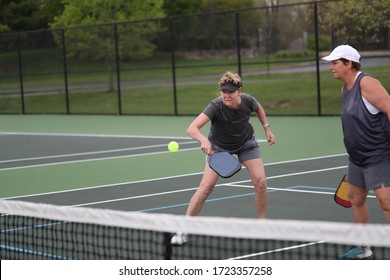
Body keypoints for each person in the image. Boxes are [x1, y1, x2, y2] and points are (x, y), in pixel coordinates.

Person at [171, 71, 276, 245]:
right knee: (205, 188)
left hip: (246, 143)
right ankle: (184, 229)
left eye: (230, 92)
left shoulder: (248, 100)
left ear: (239, 91)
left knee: (261, 182)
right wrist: (204, 140)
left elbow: (258, 109)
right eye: (223, 92)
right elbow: (192, 128)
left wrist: (266, 128)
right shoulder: (216, 106)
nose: (226, 95)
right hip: (219, 147)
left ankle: (261, 225)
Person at [322, 45, 390, 259]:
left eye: (334, 63)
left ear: (348, 63)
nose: (331, 67)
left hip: (379, 154)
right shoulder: (345, 89)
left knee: (386, 202)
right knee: (355, 198)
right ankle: (362, 246)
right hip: (357, 157)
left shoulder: (367, 83)